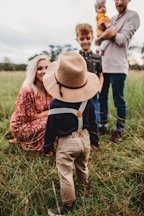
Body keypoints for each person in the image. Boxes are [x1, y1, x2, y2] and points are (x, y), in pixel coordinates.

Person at [43, 52, 100, 215]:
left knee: (65, 172)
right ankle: (84, 188)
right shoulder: (87, 99)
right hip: (85, 139)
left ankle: (68, 204)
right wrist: (95, 140)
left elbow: (51, 128)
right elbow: (93, 122)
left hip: (67, 143)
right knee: (82, 165)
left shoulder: (55, 103)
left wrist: (47, 146)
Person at [95, 0, 140, 142]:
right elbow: (96, 41)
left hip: (118, 66)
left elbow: (121, 40)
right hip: (103, 65)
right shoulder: (111, 19)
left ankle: (118, 130)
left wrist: (108, 34)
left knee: (118, 99)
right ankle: (102, 125)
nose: (119, 2)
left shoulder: (133, 16)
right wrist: (105, 35)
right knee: (101, 97)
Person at [10, 55, 53, 151]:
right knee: (52, 121)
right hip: (22, 125)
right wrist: (47, 113)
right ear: (34, 71)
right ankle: (25, 141)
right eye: (40, 68)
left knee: (57, 120)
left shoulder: (49, 88)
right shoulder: (28, 90)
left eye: (47, 68)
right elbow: (26, 118)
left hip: (38, 120)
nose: (44, 71)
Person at [75, 23, 104, 123]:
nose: (85, 41)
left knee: (94, 115)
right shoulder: (75, 57)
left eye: (88, 38)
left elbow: (100, 74)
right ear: (77, 40)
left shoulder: (97, 57)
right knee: (80, 115)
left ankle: (94, 133)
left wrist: (99, 88)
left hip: (93, 92)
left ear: (92, 38)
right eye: (82, 39)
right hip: (79, 92)